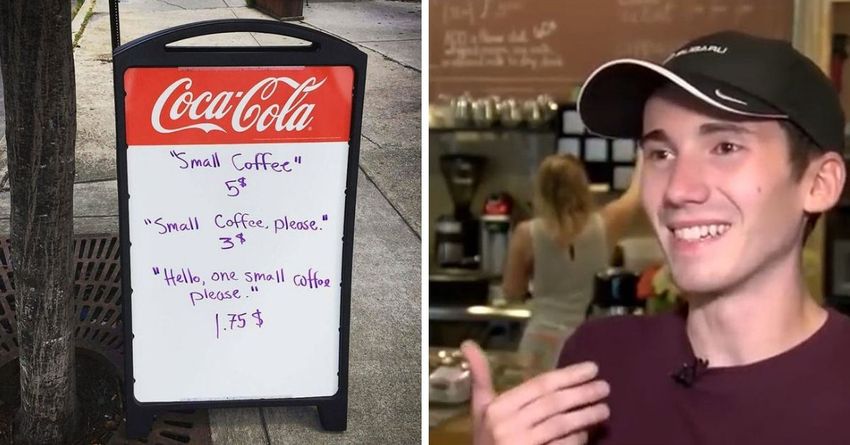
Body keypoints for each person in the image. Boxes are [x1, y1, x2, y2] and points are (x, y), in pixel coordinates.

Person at [462, 30, 850, 444]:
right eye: (660, 154)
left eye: (725, 147)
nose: (678, 189)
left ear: (819, 183)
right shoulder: (597, 368)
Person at [501, 153, 642, 375]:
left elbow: (511, 291)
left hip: (540, 341)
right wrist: (644, 154)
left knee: (538, 407)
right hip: (586, 339)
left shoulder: (526, 234)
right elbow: (635, 193)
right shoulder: (607, 223)